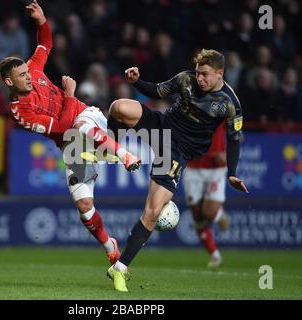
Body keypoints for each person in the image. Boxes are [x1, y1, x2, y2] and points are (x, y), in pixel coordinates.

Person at [0, 1, 141, 266]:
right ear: (10, 82)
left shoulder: (35, 69)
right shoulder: (20, 112)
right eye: (21, 75)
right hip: (72, 142)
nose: (28, 76)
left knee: (81, 125)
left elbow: (46, 44)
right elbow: (62, 129)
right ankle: (111, 247)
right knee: (85, 208)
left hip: (89, 117)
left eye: (26, 71)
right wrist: (70, 96)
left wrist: (41, 21)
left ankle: (125, 155)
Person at [106, 49, 248, 292]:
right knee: (118, 107)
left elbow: (234, 139)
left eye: (205, 74)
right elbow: (157, 90)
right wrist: (136, 81)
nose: (199, 78)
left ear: (220, 73)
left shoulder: (229, 103)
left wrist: (232, 173)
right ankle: (111, 150)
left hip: (177, 151)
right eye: (198, 73)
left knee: (151, 212)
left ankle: (119, 268)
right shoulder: (186, 79)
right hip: (162, 128)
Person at [183, 122, 229, 268]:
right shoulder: (188, 104)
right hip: (193, 165)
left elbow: (237, 133)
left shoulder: (223, 104)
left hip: (216, 167)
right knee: (197, 214)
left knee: (208, 211)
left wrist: (228, 152)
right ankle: (215, 255)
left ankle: (218, 213)